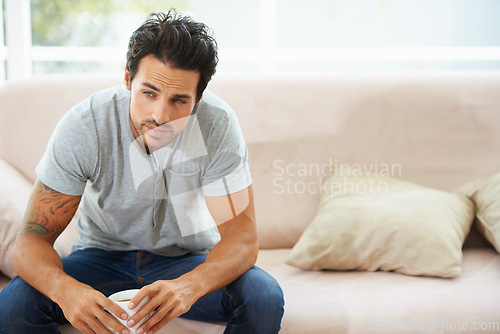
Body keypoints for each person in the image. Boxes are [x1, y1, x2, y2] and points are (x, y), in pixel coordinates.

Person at [0, 9, 284, 334]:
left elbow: (242, 239)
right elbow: (31, 240)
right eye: (149, 93)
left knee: (263, 296)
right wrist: (66, 290)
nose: (160, 115)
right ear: (127, 80)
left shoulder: (217, 124)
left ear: (199, 97)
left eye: (179, 100)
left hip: (186, 259)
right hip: (99, 257)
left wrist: (189, 286)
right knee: (13, 305)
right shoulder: (85, 125)